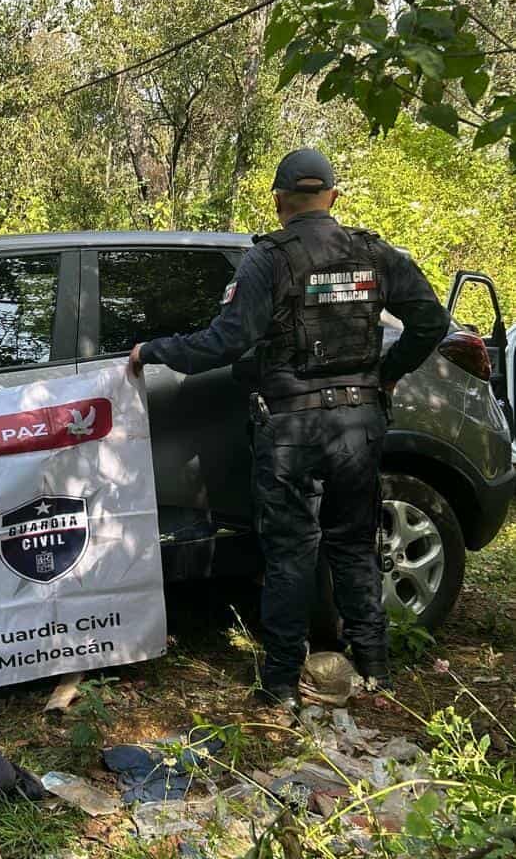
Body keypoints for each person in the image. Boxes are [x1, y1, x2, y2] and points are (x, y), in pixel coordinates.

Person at [129, 148, 449, 709]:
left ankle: (281, 683)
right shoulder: (374, 253)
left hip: (291, 427)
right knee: (354, 547)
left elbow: (224, 341)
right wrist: (386, 376)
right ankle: (376, 671)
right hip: (358, 424)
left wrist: (151, 350)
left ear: (278, 200)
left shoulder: (267, 261)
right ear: (333, 197)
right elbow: (431, 320)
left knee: (291, 553)